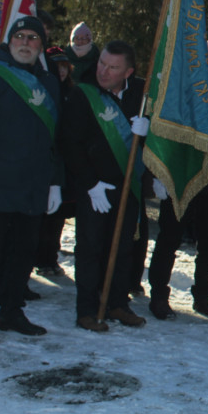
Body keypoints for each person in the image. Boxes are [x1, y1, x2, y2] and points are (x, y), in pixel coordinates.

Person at [146, 39, 208, 320]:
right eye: (201, 55)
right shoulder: (183, 90)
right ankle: (158, 295)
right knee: (169, 238)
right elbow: (167, 131)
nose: (204, 60)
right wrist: (161, 174)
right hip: (181, 179)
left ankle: (203, 296)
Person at [61, 39, 149, 331]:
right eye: (102, 63)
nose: (104, 71)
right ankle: (87, 309)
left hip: (128, 185)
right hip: (95, 188)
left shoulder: (142, 94)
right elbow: (70, 144)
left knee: (123, 247)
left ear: (128, 71)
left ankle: (117, 304)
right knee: (90, 247)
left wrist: (147, 132)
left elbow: (154, 141)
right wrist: (90, 183)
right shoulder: (83, 94)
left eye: (113, 67)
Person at [0, 17, 62, 336]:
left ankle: (11, 311)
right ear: (9, 41)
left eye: (32, 38)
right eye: (19, 36)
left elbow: (57, 139)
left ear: (41, 45)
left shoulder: (50, 84)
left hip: (33, 187)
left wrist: (55, 182)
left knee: (22, 254)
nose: (25, 42)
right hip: (1, 182)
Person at [34, 46, 76, 279]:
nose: (61, 71)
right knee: (42, 216)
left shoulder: (72, 91)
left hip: (65, 161)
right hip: (46, 159)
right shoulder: (44, 87)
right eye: (56, 65)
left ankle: (51, 256)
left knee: (58, 216)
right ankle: (40, 257)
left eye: (64, 66)